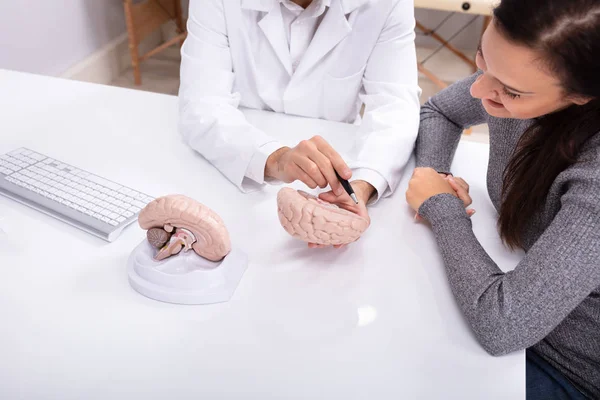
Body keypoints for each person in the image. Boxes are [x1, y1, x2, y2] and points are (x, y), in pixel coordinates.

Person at [405, 0, 600, 398]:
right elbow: (441, 110)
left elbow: (503, 325)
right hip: (514, 306)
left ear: (582, 96)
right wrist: (436, 177)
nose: (478, 89)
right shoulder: (510, 77)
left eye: (510, 91)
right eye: (482, 58)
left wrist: (441, 207)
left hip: (569, 368)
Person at [178, 0, 421, 244]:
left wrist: (363, 183)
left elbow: (395, 105)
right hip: (232, 162)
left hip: (340, 164)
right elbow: (202, 103)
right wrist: (274, 158)